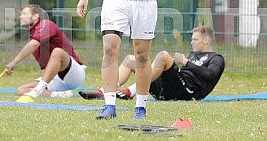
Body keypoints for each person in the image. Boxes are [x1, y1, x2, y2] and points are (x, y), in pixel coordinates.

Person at [78, 25, 225, 102]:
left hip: (187, 92)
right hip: (169, 89)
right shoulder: (194, 54)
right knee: (132, 60)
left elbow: (210, 74)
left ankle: (131, 91)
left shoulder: (216, 58)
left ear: (206, 40)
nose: (192, 42)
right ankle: (105, 91)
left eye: (195, 39)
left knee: (163, 56)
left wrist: (186, 62)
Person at [5, 4, 86, 98]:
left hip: (74, 74)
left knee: (57, 52)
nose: (21, 16)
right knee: (21, 90)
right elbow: (44, 69)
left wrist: (13, 62)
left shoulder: (45, 24)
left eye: (24, 13)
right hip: (57, 79)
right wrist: (48, 86)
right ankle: (58, 95)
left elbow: (34, 44)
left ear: (35, 17)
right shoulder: (33, 41)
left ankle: (39, 90)